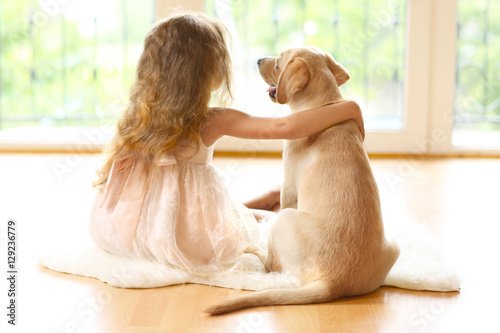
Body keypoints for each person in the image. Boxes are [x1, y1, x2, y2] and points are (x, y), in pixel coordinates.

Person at [89, 12, 364, 276]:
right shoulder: (212, 120)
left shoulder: (139, 116)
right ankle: (269, 203)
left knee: (223, 214)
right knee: (240, 226)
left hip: (135, 228)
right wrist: (349, 109)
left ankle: (268, 199)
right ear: (210, 71)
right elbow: (284, 127)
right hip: (185, 235)